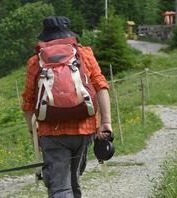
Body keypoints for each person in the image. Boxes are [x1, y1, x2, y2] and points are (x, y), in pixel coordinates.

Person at [21, 16, 112, 198]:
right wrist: (106, 123)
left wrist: (34, 133)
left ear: (45, 36)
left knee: (60, 188)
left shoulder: (35, 62)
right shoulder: (84, 54)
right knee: (73, 181)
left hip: (51, 133)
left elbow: (28, 102)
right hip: (84, 130)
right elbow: (100, 86)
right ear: (69, 34)